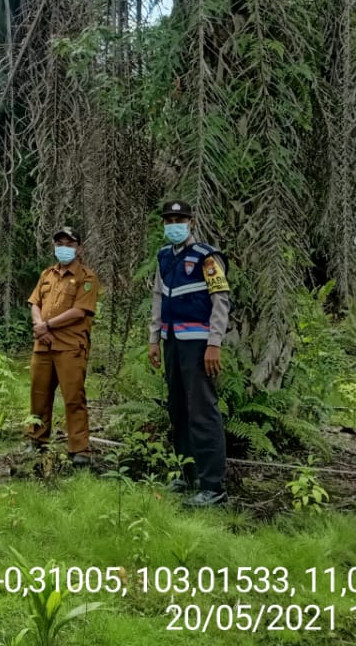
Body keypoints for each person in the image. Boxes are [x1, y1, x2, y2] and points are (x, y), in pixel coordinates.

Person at [148, 201, 230, 507]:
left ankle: (213, 487)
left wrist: (214, 343)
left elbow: (220, 300)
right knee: (178, 409)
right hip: (172, 342)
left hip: (199, 345)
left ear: (191, 222)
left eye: (179, 219)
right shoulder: (163, 257)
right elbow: (158, 297)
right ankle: (188, 473)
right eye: (168, 219)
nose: (173, 224)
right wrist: (154, 339)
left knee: (202, 411)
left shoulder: (206, 257)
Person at [26, 227, 100, 465]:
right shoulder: (47, 274)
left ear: (79, 247)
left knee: (73, 397)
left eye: (69, 244)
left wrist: (48, 325)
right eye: (60, 243)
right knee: (39, 395)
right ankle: (37, 440)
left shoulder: (86, 277)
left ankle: (79, 450)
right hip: (43, 345)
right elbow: (34, 303)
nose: (64, 248)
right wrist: (40, 326)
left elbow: (80, 311)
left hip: (70, 346)